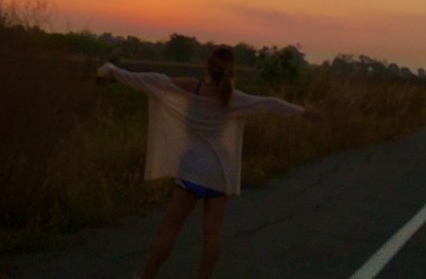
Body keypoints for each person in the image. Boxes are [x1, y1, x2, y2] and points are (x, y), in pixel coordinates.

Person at [96, 46, 312, 279]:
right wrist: (304, 112)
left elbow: (153, 81)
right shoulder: (233, 98)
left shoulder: (192, 87)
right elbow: (270, 103)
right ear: (232, 70)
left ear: (207, 66)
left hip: (191, 171)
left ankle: (146, 277)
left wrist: (113, 71)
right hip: (219, 173)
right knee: (212, 236)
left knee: (170, 229)